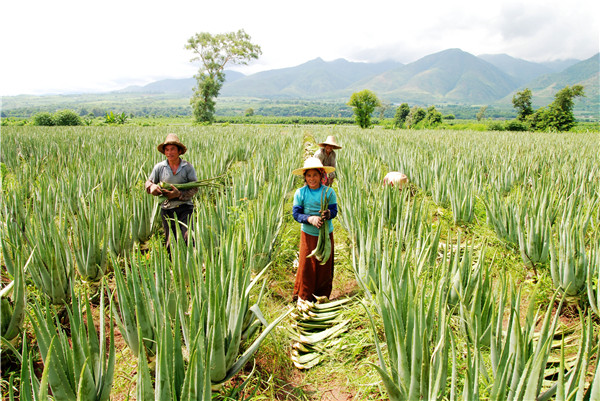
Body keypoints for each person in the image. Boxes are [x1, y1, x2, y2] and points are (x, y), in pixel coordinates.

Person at [291, 157, 338, 303]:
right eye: (309, 175)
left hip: (325, 235)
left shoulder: (329, 193)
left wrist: (328, 214)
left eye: (315, 175)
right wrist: (310, 218)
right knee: (307, 267)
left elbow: (334, 211)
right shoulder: (301, 193)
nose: (312, 178)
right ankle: (304, 297)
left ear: (321, 175)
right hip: (308, 235)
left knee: (324, 265)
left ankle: (322, 297)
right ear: (305, 177)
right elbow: (296, 214)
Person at [145, 133, 198, 247]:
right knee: (170, 242)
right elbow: (149, 182)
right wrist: (152, 187)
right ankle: (172, 263)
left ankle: (189, 262)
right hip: (167, 208)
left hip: (185, 207)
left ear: (179, 151)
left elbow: (194, 187)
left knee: (188, 238)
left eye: (173, 149)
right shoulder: (159, 167)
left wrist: (179, 194)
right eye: (167, 150)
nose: (169, 153)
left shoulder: (187, 167)